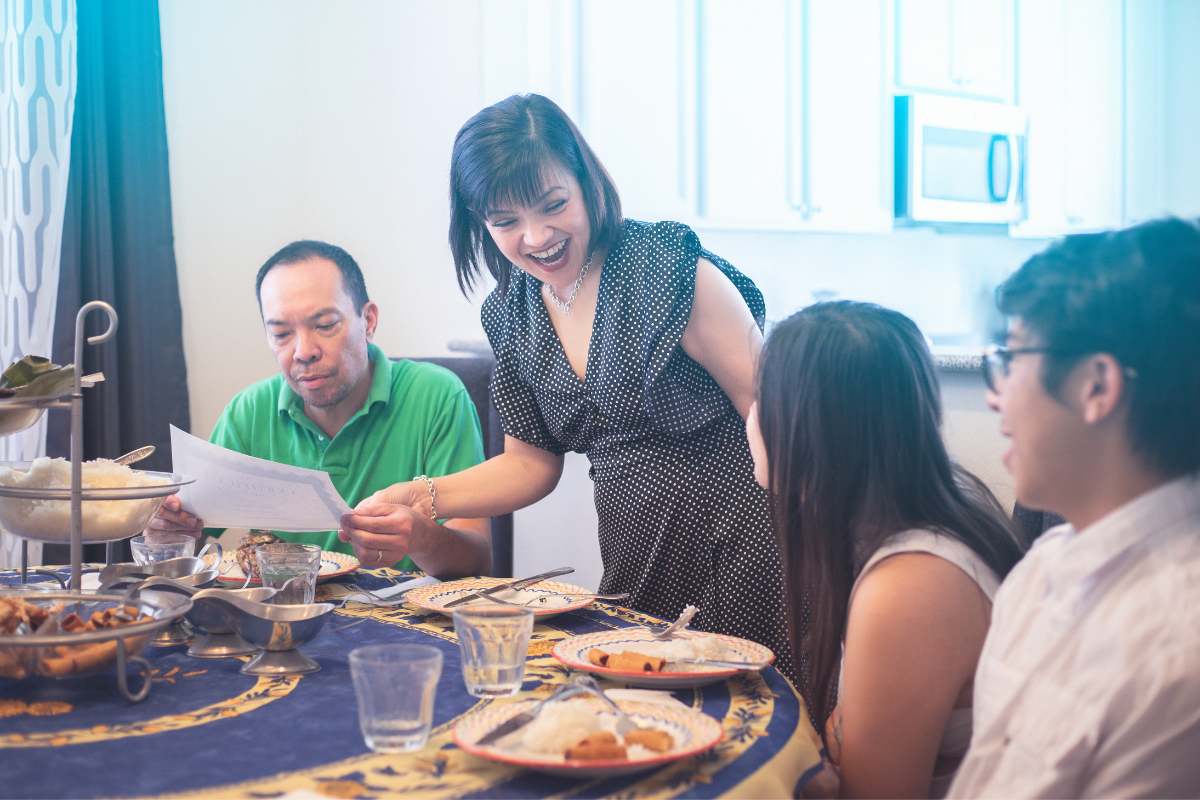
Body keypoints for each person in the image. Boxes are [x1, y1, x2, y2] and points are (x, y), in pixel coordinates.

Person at [341, 93, 793, 674]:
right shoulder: (512, 311)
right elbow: (530, 464)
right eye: (506, 222)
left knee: (748, 713)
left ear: (586, 181)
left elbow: (769, 411)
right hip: (640, 552)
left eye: (552, 205)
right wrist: (419, 497)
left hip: (746, 540)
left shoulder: (666, 265)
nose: (535, 237)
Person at [949, 218, 1200, 798]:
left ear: (1096, 386)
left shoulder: (1173, 652)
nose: (995, 392)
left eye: (1011, 361)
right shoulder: (1040, 571)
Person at [746, 301, 1025, 797]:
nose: (750, 416)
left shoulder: (910, 584)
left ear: (811, 427)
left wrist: (837, 740)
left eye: (760, 398)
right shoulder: (934, 510)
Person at [147, 240, 491, 577]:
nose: (304, 351)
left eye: (325, 326)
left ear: (368, 320)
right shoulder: (248, 412)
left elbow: (477, 560)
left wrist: (421, 538)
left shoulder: (437, 396)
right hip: (285, 621)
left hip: (405, 622)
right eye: (281, 333)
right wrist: (165, 533)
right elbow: (185, 547)